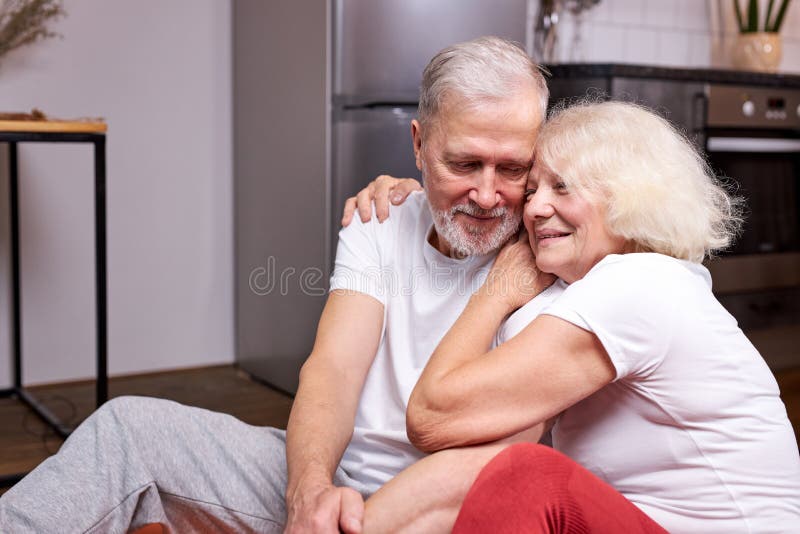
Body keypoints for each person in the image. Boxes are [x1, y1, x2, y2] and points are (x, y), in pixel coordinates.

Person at [0, 36, 549, 533]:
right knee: (128, 430)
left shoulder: (551, 260)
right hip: (339, 474)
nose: (486, 194)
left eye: (511, 168)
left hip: (442, 516)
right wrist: (309, 491)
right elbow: (333, 369)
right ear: (419, 144)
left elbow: (501, 460)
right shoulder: (382, 220)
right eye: (465, 162)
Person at [353, 100, 800, 532]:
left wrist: (495, 292)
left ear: (630, 197)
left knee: (527, 476)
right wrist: (419, 198)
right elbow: (475, 437)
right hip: (637, 522)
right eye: (531, 191)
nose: (534, 208)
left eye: (562, 187)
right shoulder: (587, 291)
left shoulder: (639, 285)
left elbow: (433, 415)